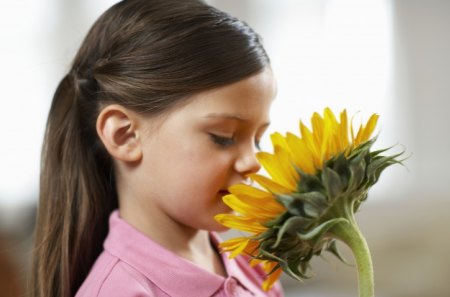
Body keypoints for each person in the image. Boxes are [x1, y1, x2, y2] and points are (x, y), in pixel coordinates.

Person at [31, 0, 282, 296]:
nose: (252, 162)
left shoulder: (254, 267)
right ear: (124, 135)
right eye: (223, 136)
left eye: (257, 138)